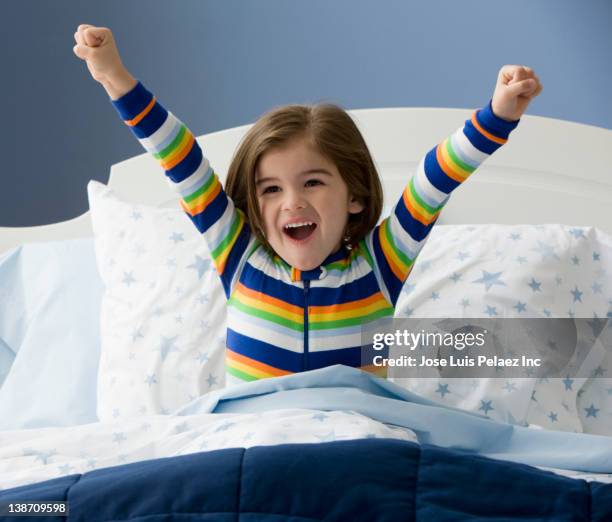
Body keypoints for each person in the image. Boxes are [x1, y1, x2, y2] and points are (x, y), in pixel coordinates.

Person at [73, 24, 543, 387]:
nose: (292, 202)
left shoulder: (379, 266)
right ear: (253, 205)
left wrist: (496, 116)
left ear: (355, 195)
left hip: (351, 448)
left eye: (313, 182)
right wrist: (115, 77)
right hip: (254, 448)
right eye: (271, 189)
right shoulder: (240, 258)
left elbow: (433, 182)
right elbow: (182, 161)